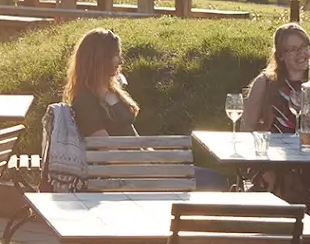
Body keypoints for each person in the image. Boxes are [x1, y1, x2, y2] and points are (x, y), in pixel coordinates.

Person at [62, 28, 229, 189]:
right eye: (115, 55)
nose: (120, 61)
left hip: (142, 167)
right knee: (213, 181)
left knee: (215, 179)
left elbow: (130, 134)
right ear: (99, 60)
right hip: (129, 175)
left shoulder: (108, 91)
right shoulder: (85, 100)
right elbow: (108, 151)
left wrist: (155, 157)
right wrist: (148, 165)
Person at [241, 23, 310, 198]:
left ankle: (294, 220)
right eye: (293, 49)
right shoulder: (264, 83)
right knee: (275, 177)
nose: (301, 53)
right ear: (280, 55)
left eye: (304, 47)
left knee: (303, 178)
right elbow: (246, 129)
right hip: (269, 161)